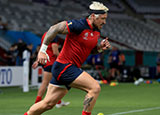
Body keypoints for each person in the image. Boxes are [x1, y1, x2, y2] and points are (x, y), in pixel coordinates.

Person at [24, 1, 111, 115]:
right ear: (93, 16)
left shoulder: (96, 31)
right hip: (65, 67)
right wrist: (42, 51)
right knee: (94, 88)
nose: (104, 22)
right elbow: (54, 28)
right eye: (103, 18)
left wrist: (100, 48)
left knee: (47, 104)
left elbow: (90, 50)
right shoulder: (79, 25)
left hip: (67, 68)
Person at [32, 32, 70, 108]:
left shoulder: (45, 34)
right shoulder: (54, 36)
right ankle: (37, 103)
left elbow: (42, 48)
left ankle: (58, 101)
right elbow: (55, 51)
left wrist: (37, 60)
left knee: (55, 82)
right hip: (51, 62)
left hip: (46, 61)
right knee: (46, 82)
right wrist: (63, 61)